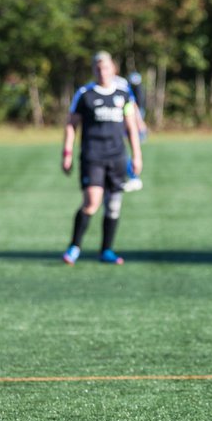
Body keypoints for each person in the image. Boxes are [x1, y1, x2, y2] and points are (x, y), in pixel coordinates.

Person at [62, 51, 142, 264]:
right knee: (92, 202)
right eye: (98, 68)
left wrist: (137, 156)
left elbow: (131, 126)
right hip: (92, 156)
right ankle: (74, 247)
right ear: (93, 71)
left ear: (113, 69)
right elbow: (72, 124)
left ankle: (106, 250)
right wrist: (67, 152)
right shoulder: (85, 94)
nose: (102, 72)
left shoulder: (123, 94)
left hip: (116, 157)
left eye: (105, 67)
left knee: (114, 205)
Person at [112, 71, 147, 192]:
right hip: (113, 127)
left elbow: (132, 105)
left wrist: (139, 122)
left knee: (121, 150)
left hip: (122, 124)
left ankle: (133, 177)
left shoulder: (120, 83)